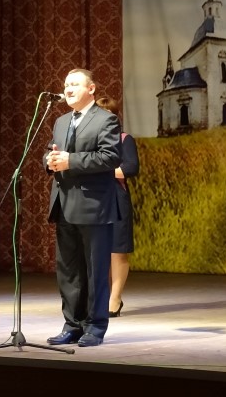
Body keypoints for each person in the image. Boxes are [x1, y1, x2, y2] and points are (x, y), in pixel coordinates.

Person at [44, 68, 121, 347]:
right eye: (66, 84)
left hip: (93, 206)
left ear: (91, 88)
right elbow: (51, 150)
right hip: (64, 203)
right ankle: (72, 325)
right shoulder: (61, 121)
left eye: (75, 84)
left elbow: (110, 157)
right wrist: (49, 161)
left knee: (95, 270)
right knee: (68, 270)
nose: (68, 88)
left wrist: (71, 161)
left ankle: (95, 326)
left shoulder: (106, 119)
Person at [96, 97, 140, 318]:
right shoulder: (89, 141)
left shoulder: (124, 139)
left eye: (107, 114)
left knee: (117, 250)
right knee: (96, 251)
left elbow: (130, 168)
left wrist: (97, 170)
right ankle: (99, 298)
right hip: (93, 199)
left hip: (116, 197)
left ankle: (115, 298)